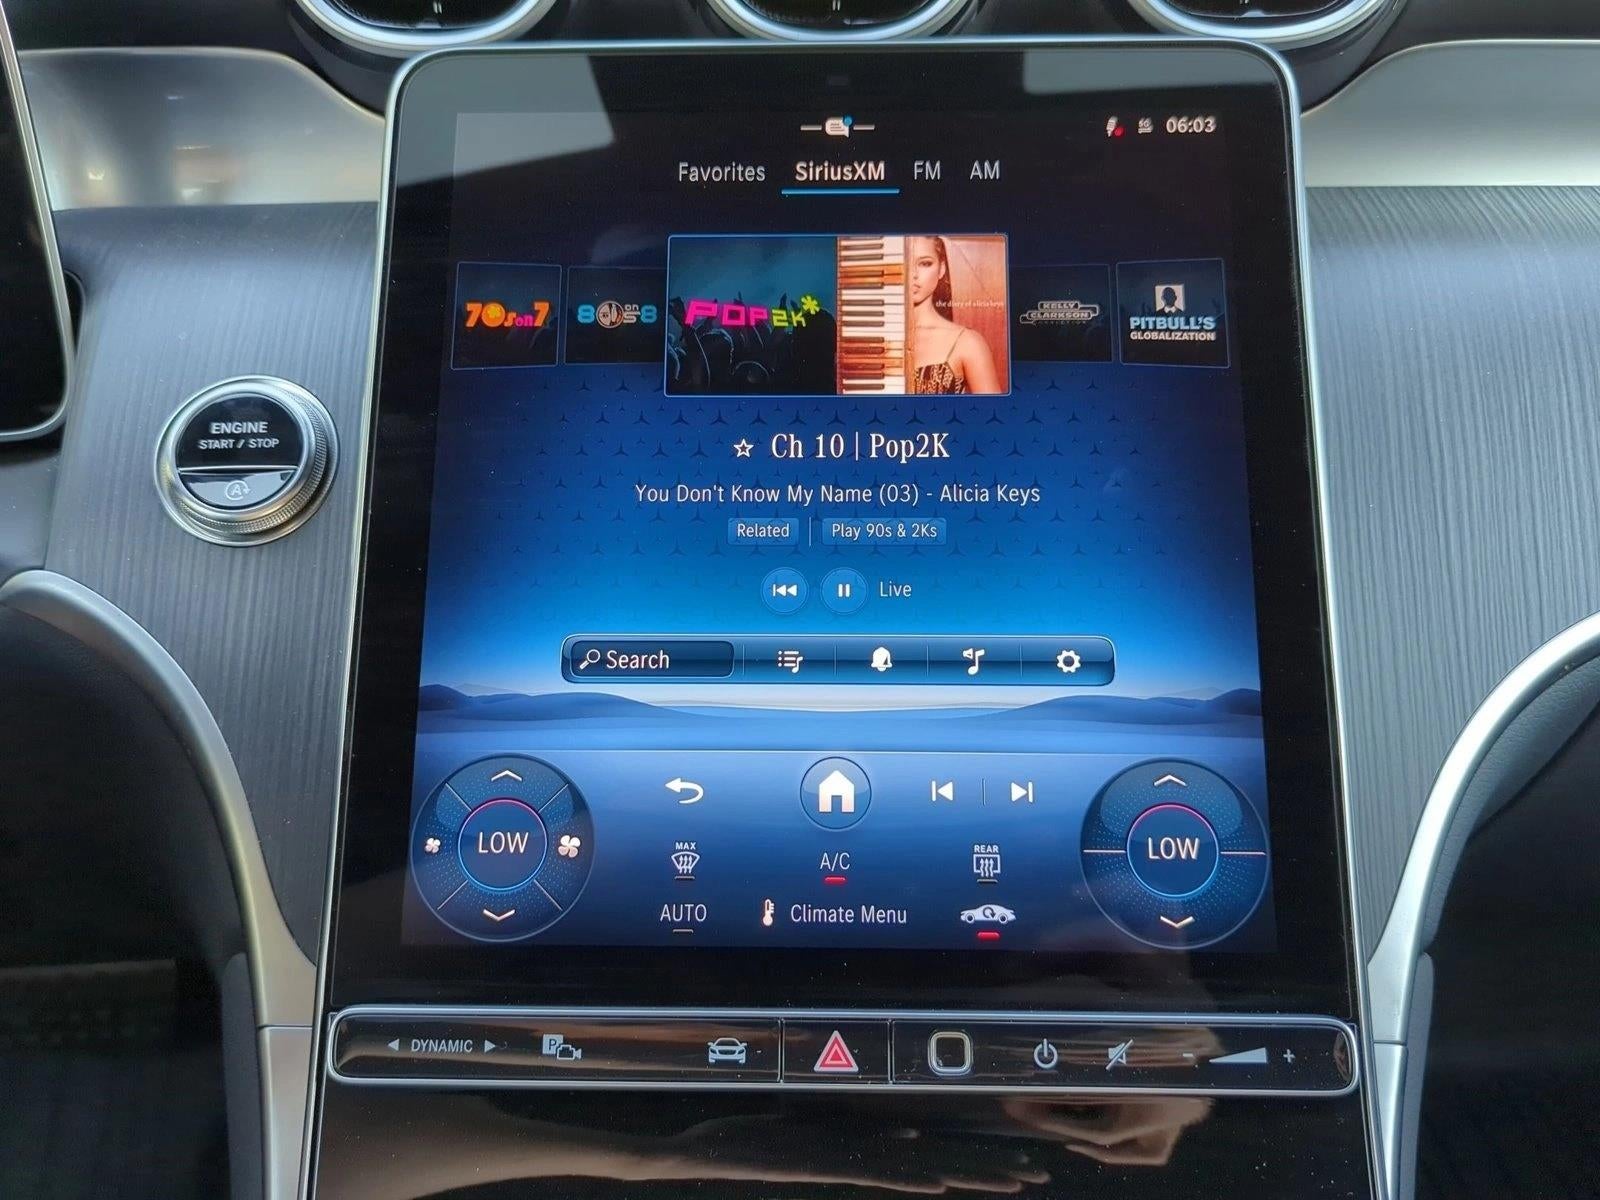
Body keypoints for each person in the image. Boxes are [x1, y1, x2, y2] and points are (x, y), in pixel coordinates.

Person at [907, 235, 1001, 395]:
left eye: (925, 263)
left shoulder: (968, 343)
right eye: (905, 263)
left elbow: (993, 409)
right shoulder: (871, 338)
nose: (913, 274)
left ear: (941, 269)